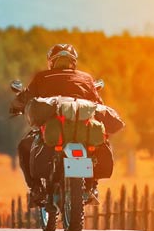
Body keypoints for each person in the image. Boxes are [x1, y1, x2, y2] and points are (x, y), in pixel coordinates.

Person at [12, 43, 104, 206]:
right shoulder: (86, 78)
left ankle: (36, 189)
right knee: (101, 142)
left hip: (54, 130)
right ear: (73, 61)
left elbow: (25, 97)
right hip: (82, 130)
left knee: (24, 147)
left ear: (51, 62)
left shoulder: (42, 77)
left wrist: (16, 106)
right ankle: (92, 186)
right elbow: (98, 103)